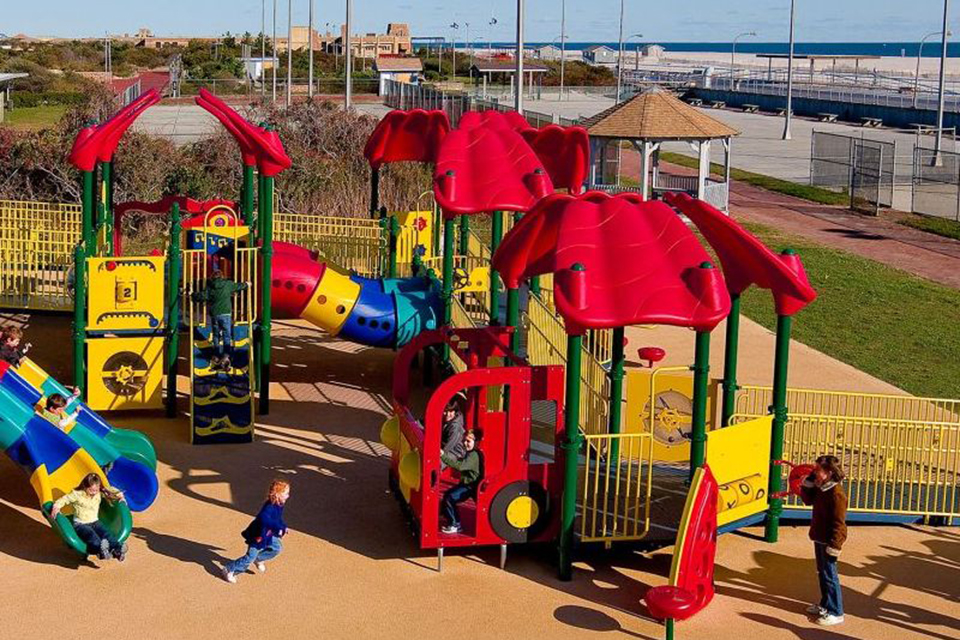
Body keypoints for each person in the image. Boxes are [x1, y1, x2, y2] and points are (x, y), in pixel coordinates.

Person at [799, 455, 848, 627]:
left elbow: (839, 524)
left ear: (828, 472)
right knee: (822, 573)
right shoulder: (822, 489)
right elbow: (808, 500)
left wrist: (835, 545)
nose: (814, 471)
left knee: (830, 575)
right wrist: (809, 484)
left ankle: (836, 611)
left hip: (828, 540)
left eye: (817, 469)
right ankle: (826, 604)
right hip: (819, 537)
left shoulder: (836, 494)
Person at [222, 479, 290, 584]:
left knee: (277, 548)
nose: (288, 496)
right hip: (258, 536)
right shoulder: (269, 507)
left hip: (268, 534)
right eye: (286, 493)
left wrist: (283, 527)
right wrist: (278, 528)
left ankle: (259, 558)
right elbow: (263, 519)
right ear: (277, 494)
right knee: (249, 558)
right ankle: (229, 569)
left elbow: (278, 519)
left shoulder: (279, 505)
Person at [49, 472, 127, 561]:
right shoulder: (77, 494)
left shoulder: (99, 492)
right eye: (91, 490)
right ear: (85, 487)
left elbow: (111, 490)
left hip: (95, 522)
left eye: (96, 490)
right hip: (81, 524)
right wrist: (56, 506)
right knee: (92, 537)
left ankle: (117, 550)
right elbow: (65, 499)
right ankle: (100, 551)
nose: (94, 493)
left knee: (107, 535)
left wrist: (120, 495)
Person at [191, 269, 248, 371]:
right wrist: (247, 284)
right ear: (222, 276)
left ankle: (216, 355)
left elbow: (202, 296)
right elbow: (239, 286)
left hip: (215, 314)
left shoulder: (210, 287)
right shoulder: (228, 284)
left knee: (216, 335)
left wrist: (192, 295)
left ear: (213, 277)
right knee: (227, 335)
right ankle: (226, 356)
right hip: (226, 313)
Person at [439, 430, 483, 535]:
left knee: (450, 498)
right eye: (464, 440)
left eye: (468, 441)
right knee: (448, 496)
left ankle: (455, 524)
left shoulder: (473, 455)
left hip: (470, 486)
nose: (465, 443)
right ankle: (449, 517)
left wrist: (443, 456)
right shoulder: (471, 453)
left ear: (476, 442)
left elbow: (460, 466)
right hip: (468, 484)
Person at [440, 393, 466, 468]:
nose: (447, 414)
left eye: (451, 411)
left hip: (455, 453)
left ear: (455, 412)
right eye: (445, 411)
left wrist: (440, 453)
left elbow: (449, 446)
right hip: (447, 447)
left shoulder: (455, 426)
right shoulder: (449, 421)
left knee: (437, 463)